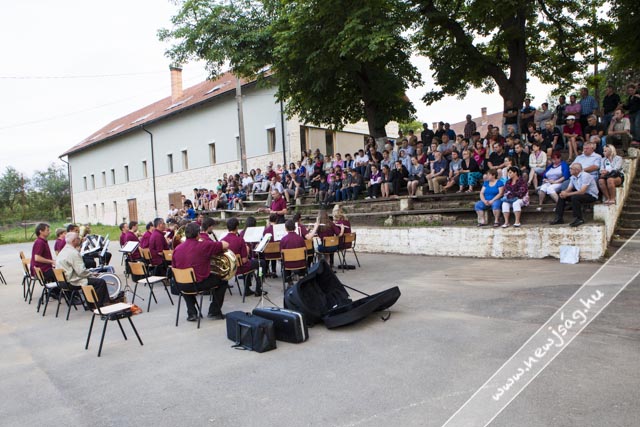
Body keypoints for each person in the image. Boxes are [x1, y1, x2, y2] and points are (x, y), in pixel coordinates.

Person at [172, 223, 230, 321]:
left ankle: (192, 313)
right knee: (223, 281)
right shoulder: (204, 245)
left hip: (181, 285)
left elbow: (174, 267)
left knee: (185, 280)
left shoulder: (177, 249)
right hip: (197, 284)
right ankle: (214, 312)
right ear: (198, 234)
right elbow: (226, 244)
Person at [56, 232, 117, 308]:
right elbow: (81, 272)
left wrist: (89, 273)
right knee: (100, 282)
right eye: (78, 238)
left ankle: (91, 304)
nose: (80, 239)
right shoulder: (73, 253)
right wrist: (91, 274)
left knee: (92, 279)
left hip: (64, 282)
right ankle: (99, 305)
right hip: (73, 281)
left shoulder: (63, 251)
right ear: (73, 241)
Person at [221, 218, 263, 296]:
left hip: (228, 268)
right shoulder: (240, 240)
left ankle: (247, 289)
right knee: (261, 263)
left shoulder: (222, 240)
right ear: (237, 227)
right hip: (240, 268)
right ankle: (258, 289)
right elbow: (244, 260)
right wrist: (247, 251)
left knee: (249, 263)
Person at [550, 163, 599, 227]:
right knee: (562, 196)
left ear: (577, 170)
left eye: (571, 169)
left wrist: (567, 194)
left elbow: (582, 191)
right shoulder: (573, 177)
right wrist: (564, 193)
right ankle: (558, 218)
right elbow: (569, 189)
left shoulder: (585, 176)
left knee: (575, 197)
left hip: (591, 195)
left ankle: (579, 218)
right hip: (580, 194)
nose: (569, 170)